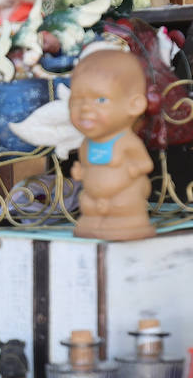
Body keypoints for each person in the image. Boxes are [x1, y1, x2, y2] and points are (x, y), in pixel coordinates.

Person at [67, 49, 156, 241]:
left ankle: (129, 219)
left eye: (100, 100)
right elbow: (86, 164)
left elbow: (146, 165)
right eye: (76, 100)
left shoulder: (127, 141)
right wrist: (81, 172)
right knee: (86, 202)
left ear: (134, 105)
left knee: (127, 201)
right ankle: (94, 218)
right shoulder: (86, 143)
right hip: (94, 199)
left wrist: (135, 168)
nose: (85, 109)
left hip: (122, 196)